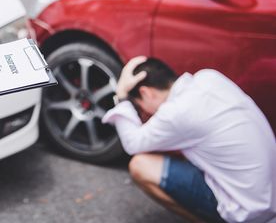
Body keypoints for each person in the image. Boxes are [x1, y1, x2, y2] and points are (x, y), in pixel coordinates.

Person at [103, 56, 276, 222]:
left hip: (249, 211)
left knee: (140, 165)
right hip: (269, 196)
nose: (144, 113)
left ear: (145, 92)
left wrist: (121, 97)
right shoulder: (209, 77)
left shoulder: (177, 113)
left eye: (140, 106)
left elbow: (133, 144)